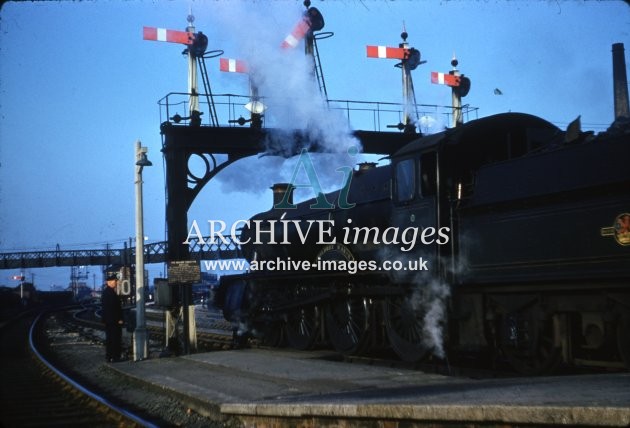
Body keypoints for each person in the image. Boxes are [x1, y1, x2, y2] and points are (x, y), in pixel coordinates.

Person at [102, 273, 124, 362]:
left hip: (109, 320)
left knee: (110, 339)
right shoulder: (111, 293)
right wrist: (119, 319)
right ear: (109, 282)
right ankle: (115, 357)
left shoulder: (106, 292)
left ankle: (109, 356)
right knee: (115, 339)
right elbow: (113, 308)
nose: (116, 282)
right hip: (114, 321)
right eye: (115, 281)